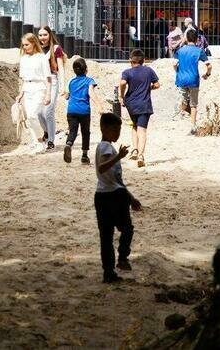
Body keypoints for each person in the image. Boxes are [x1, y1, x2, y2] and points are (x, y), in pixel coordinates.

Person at [94, 112, 142, 283]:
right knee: (127, 229)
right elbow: (102, 168)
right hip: (113, 196)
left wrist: (131, 197)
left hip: (103, 195)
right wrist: (118, 157)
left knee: (106, 237)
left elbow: (116, 180)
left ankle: (108, 272)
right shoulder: (106, 147)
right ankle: (122, 258)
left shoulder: (104, 147)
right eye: (114, 130)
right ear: (104, 129)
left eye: (119, 130)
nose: (117, 133)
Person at [119, 49, 160, 168]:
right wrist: (149, 87)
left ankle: (135, 150)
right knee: (142, 130)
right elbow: (157, 85)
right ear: (143, 60)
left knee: (134, 126)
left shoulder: (127, 72)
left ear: (130, 61)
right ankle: (141, 155)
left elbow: (122, 83)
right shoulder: (149, 71)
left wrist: (121, 95)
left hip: (131, 104)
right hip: (144, 104)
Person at [62, 58, 104, 164]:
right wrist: (99, 106)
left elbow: (66, 96)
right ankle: (84, 156)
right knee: (85, 133)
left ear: (74, 70)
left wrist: (67, 94)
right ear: (86, 70)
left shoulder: (71, 81)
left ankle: (68, 144)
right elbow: (91, 93)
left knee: (73, 131)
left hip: (71, 110)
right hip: (84, 111)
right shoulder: (89, 80)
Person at [15, 33, 52, 153]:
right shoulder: (23, 58)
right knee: (28, 119)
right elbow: (24, 78)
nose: (24, 47)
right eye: (23, 45)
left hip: (39, 87)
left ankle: (42, 139)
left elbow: (48, 77)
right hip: (27, 88)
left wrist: (48, 94)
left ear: (33, 43)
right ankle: (36, 143)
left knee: (32, 115)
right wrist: (21, 93)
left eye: (26, 44)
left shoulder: (41, 57)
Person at [175, 29, 212, 134]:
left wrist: (177, 72)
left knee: (183, 100)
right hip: (194, 79)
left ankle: (181, 116)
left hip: (181, 79)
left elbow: (174, 64)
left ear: (186, 38)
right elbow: (209, 65)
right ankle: (193, 126)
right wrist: (207, 74)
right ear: (197, 39)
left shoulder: (180, 50)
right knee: (194, 104)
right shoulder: (199, 51)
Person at [37, 26, 67, 150]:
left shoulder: (56, 49)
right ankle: (47, 132)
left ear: (49, 35)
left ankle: (51, 141)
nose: (42, 37)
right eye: (40, 35)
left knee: (48, 112)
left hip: (53, 81)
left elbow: (61, 69)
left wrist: (63, 86)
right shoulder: (36, 50)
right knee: (39, 112)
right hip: (40, 83)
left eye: (45, 34)